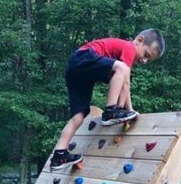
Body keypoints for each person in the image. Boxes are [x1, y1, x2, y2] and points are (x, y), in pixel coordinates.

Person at [49, 29, 166, 171]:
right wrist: (126, 110)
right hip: (83, 56)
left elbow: (123, 84)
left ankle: (59, 155)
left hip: (77, 72)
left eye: (149, 60)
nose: (144, 60)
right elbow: (126, 83)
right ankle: (111, 111)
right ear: (139, 41)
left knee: (79, 116)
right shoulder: (128, 47)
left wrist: (130, 111)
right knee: (122, 69)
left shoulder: (121, 64)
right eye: (146, 54)